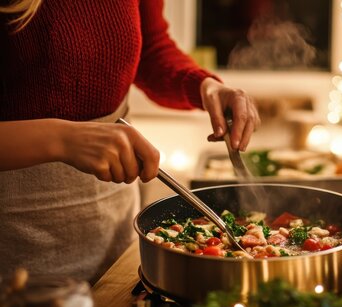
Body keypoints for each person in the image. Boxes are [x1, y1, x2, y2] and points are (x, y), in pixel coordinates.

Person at [0, 0, 261, 283]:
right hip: (14, 238)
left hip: (113, 227)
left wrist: (206, 86)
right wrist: (61, 139)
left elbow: (150, 48)